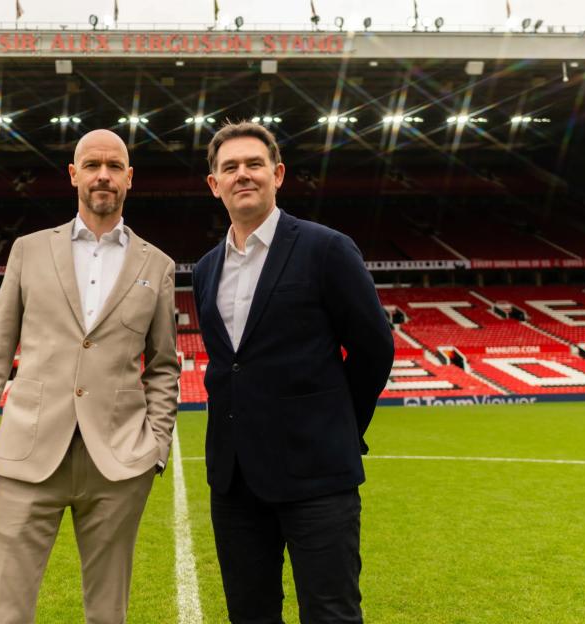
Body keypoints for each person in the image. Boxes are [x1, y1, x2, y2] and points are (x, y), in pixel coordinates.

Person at [0, 129, 180, 624]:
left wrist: (156, 450)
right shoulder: (28, 251)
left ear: (129, 179)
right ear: (73, 175)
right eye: (92, 165)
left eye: (115, 167)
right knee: (5, 612)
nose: (103, 176)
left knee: (107, 614)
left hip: (117, 466)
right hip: (27, 458)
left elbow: (162, 367)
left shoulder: (157, 265)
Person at [192, 121, 394, 623]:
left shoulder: (326, 248)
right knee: (250, 613)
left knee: (330, 613)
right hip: (235, 483)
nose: (243, 175)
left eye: (254, 164)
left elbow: (374, 348)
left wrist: (340, 429)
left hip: (318, 477)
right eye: (230, 167)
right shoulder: (203, 269)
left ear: (278, 174)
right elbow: (231, 366)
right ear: (214, 184)